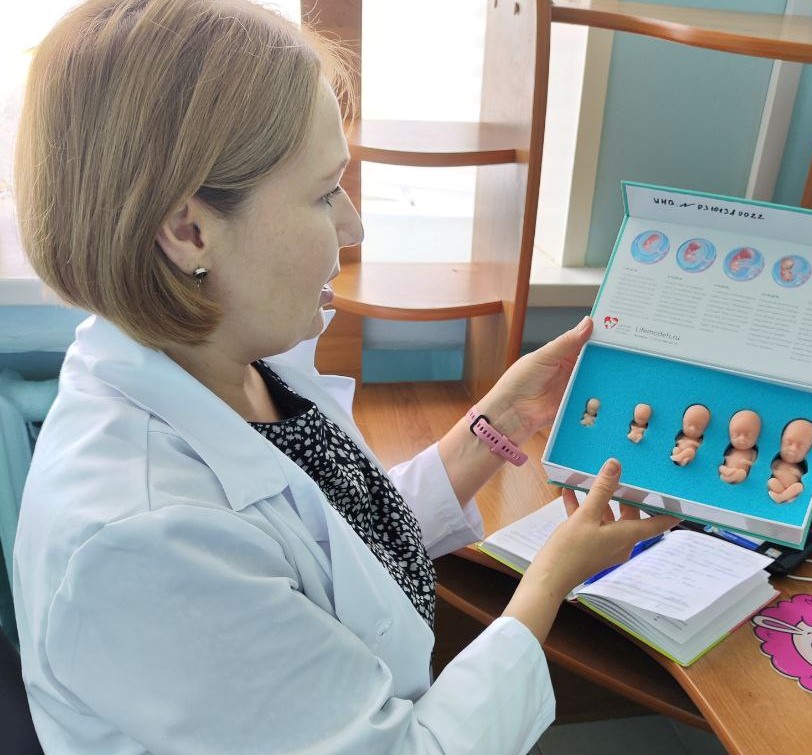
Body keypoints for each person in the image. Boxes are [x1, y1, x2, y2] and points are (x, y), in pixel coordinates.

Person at [11, 2, 676, 753]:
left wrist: (496, 425)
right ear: (189, 230)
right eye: (325, 192)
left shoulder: (223, 356)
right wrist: (549, 579)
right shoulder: (148, 543)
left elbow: (343, 539)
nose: (355, 226)